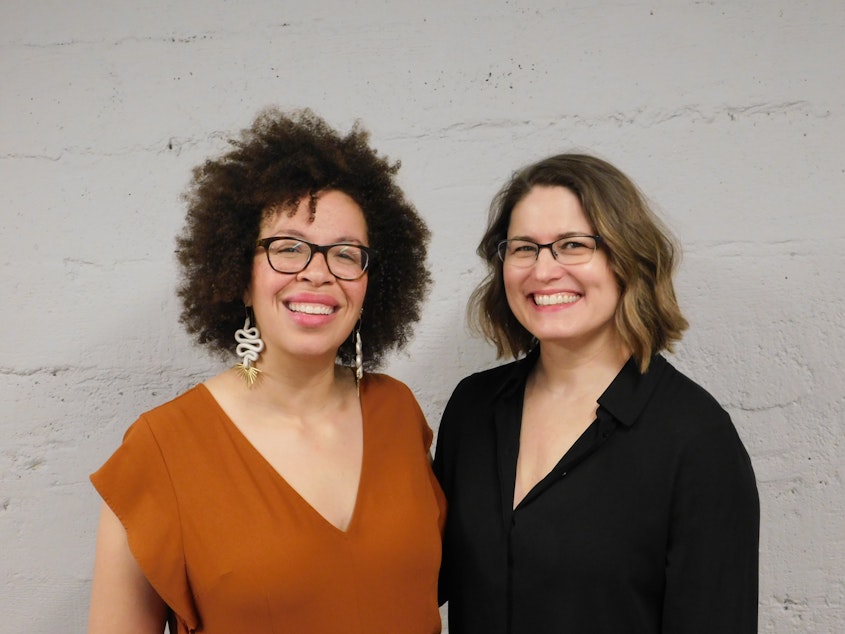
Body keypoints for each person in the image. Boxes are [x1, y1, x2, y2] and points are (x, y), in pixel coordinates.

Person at [88, 108, 445, 634]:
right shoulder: (161, 449)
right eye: (287, 248)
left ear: (373, 282)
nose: (318, 273)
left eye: (345, 254)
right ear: (238, 274)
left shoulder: (398, 411)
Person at [433, 153, 759, 633]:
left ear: (627, 258)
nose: (543, 272)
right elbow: (415, 577)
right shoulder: (473, 408)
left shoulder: (696, 439)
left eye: (572, 245)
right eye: (524, 248)